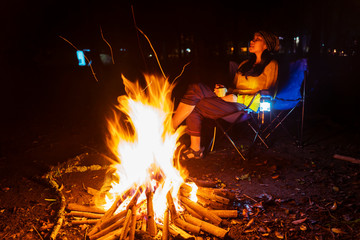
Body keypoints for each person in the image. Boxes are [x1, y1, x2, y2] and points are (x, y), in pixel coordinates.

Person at [172, 30, 279, 160]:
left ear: (266, 45)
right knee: (194, 103)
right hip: (230, 100)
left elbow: (269, 95)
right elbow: (234, 88)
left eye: (257, 39)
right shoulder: (244, 65)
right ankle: (195, 150)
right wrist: (224, 90)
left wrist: (237, 98)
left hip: (246, 107)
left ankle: (170, 128)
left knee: (196, 90)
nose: (252, 41)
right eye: (253, 38)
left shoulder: (271, 65)